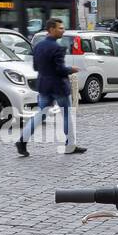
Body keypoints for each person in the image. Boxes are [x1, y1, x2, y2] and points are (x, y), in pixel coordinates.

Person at [16, 17, 82, 157]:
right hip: (58, 87)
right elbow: (60, 69)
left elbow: (36, 67)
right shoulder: (57, 48)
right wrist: (71, 69)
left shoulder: (38, 46)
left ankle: (22, 140)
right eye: (60, 28)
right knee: (67, 115)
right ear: (52, 29)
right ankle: (70, 145)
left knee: (41, 114)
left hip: (44, 85)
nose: (63, 30)